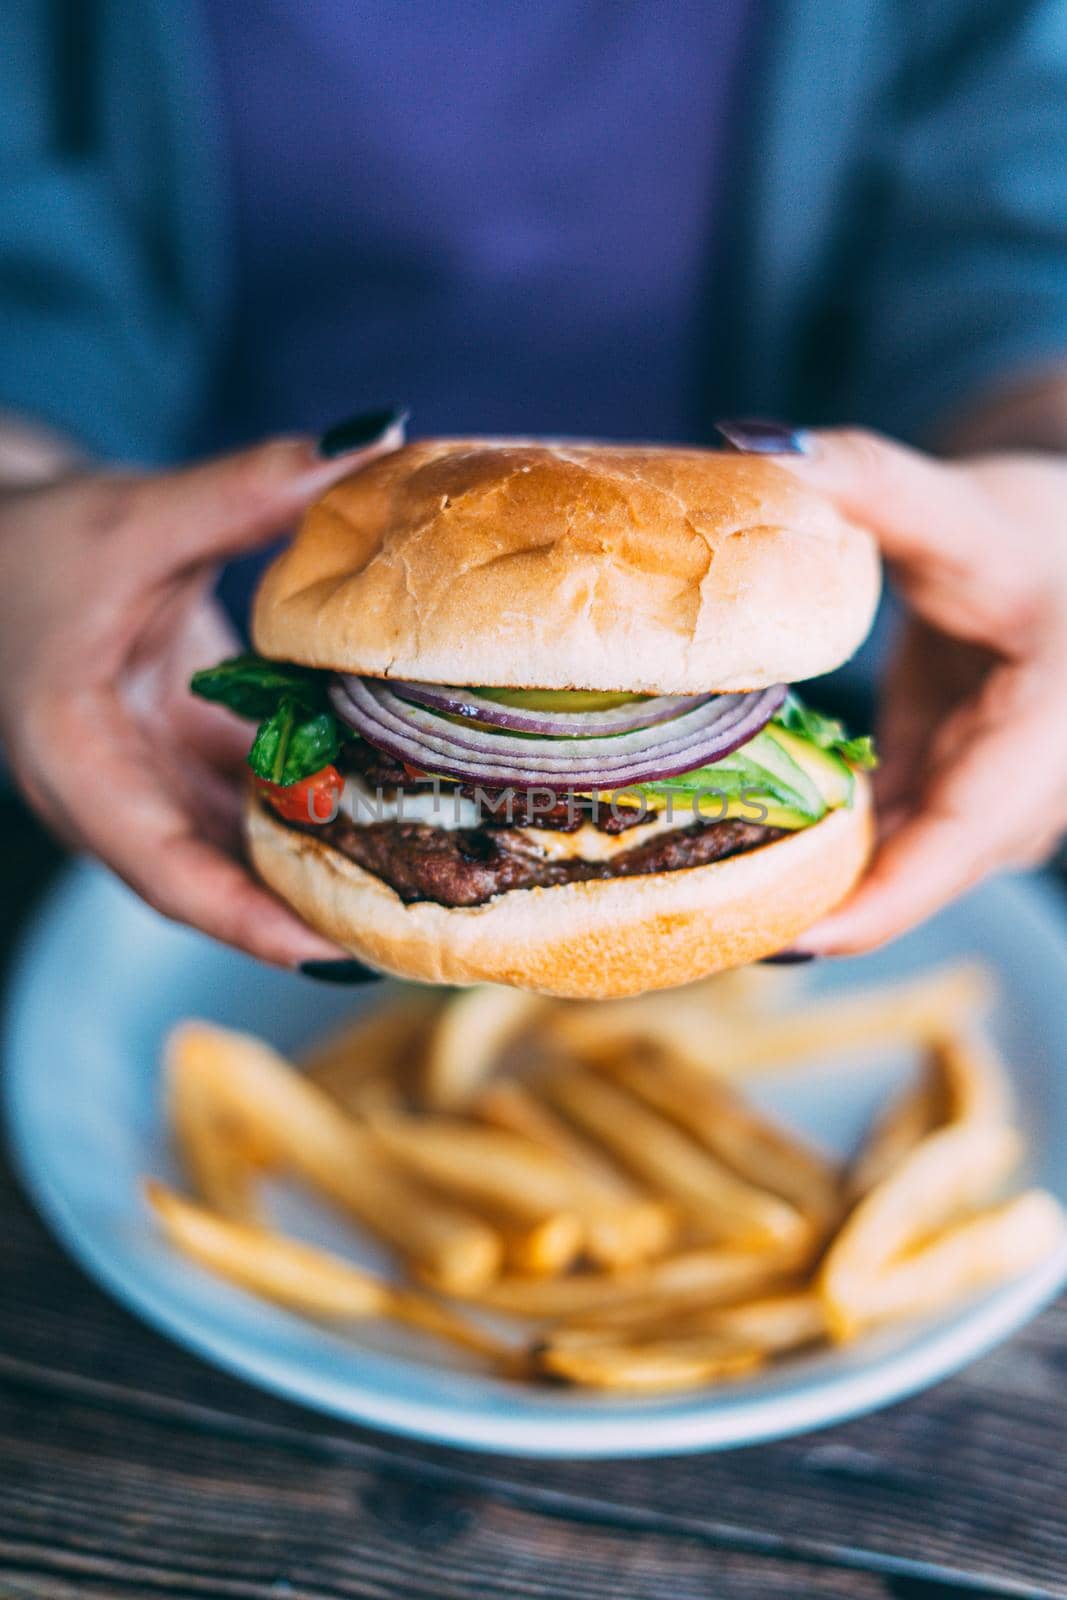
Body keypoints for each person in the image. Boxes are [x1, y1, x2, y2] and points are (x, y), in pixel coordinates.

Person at [1, 1, 1066, 973]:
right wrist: (20, 509)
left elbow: (1013, 241)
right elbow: (29, 267)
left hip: (886, 682)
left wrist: (1043, 476)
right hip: (144, 681)